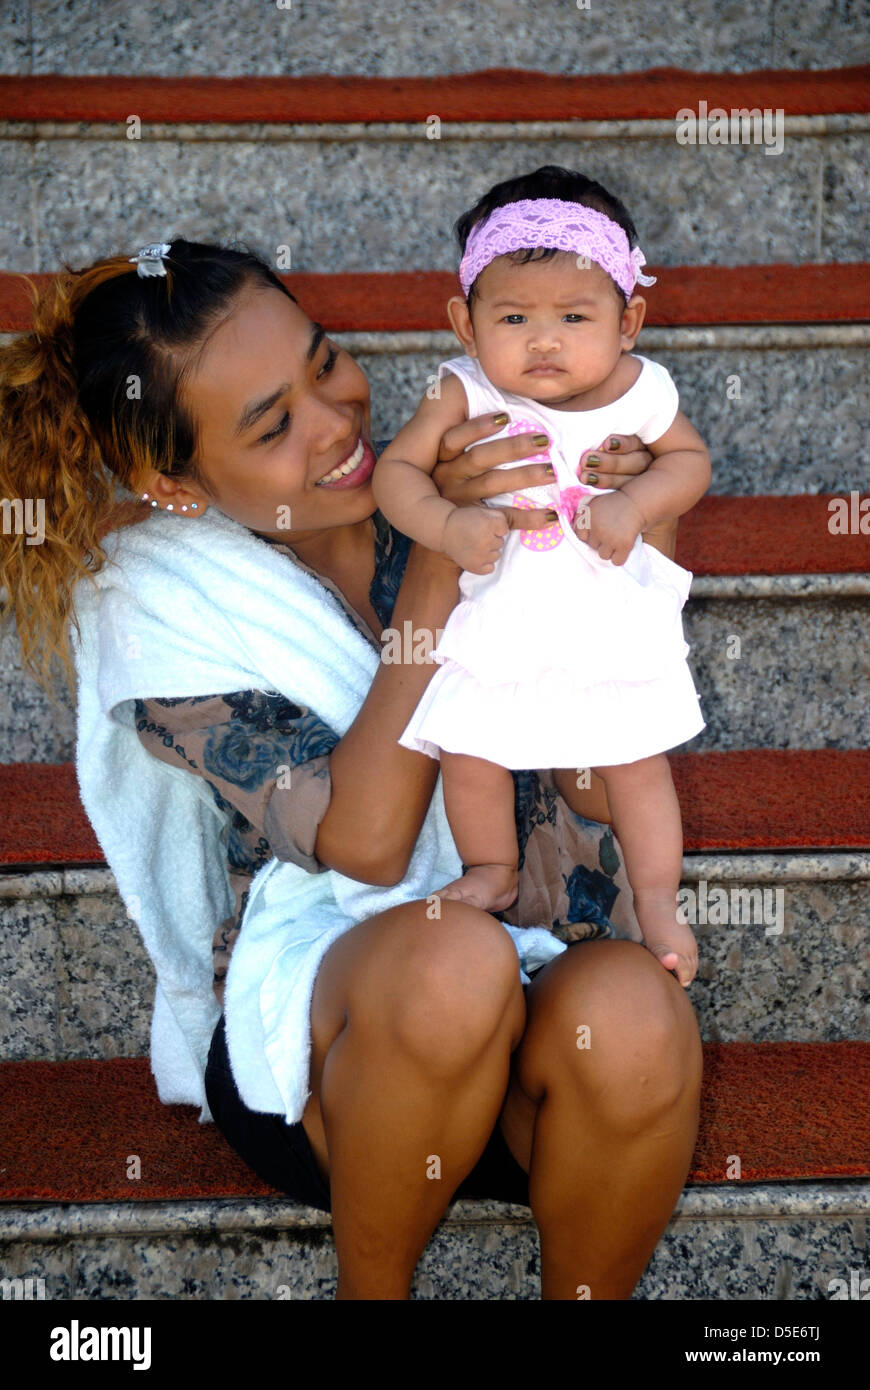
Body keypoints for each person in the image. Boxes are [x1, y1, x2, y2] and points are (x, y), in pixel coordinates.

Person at [0, 237, 703, 1300]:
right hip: (332, 1050)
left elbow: (596, 754)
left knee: (641, 1016)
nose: (337, 423)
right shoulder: (160, 600)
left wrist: (619, 534)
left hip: (532, 989)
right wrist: (440, 560)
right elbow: (366, 846)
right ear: (172, 483)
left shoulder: (456, 463)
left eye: (325, 361)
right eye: (274, 425)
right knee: (447, 960)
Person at [373, 167, 711, 988]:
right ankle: (491, 867)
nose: (544, 340)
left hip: (609, 620)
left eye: (574, 316)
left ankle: (659, 897)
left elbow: (691, 463)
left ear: (629, 320)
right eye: (514, 316)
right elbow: (396, 475)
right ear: (465, 321)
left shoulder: (643, 391)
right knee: (469, 748)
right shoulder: (462, 389)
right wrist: (448, 524)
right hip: (505, 620)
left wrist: (636, 505)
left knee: (637, 761)